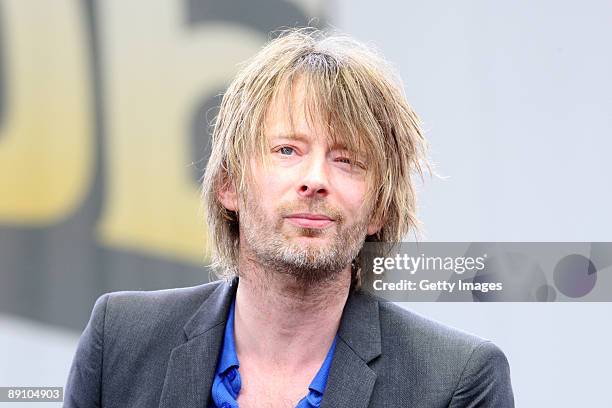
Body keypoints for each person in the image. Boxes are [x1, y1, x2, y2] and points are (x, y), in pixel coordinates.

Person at [64, 28, 514, 407]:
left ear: (378, 207)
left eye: (347, 160)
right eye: (287, 150)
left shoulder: (456, 381)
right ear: (229, 185)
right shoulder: (120, 341)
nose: (315, 179)